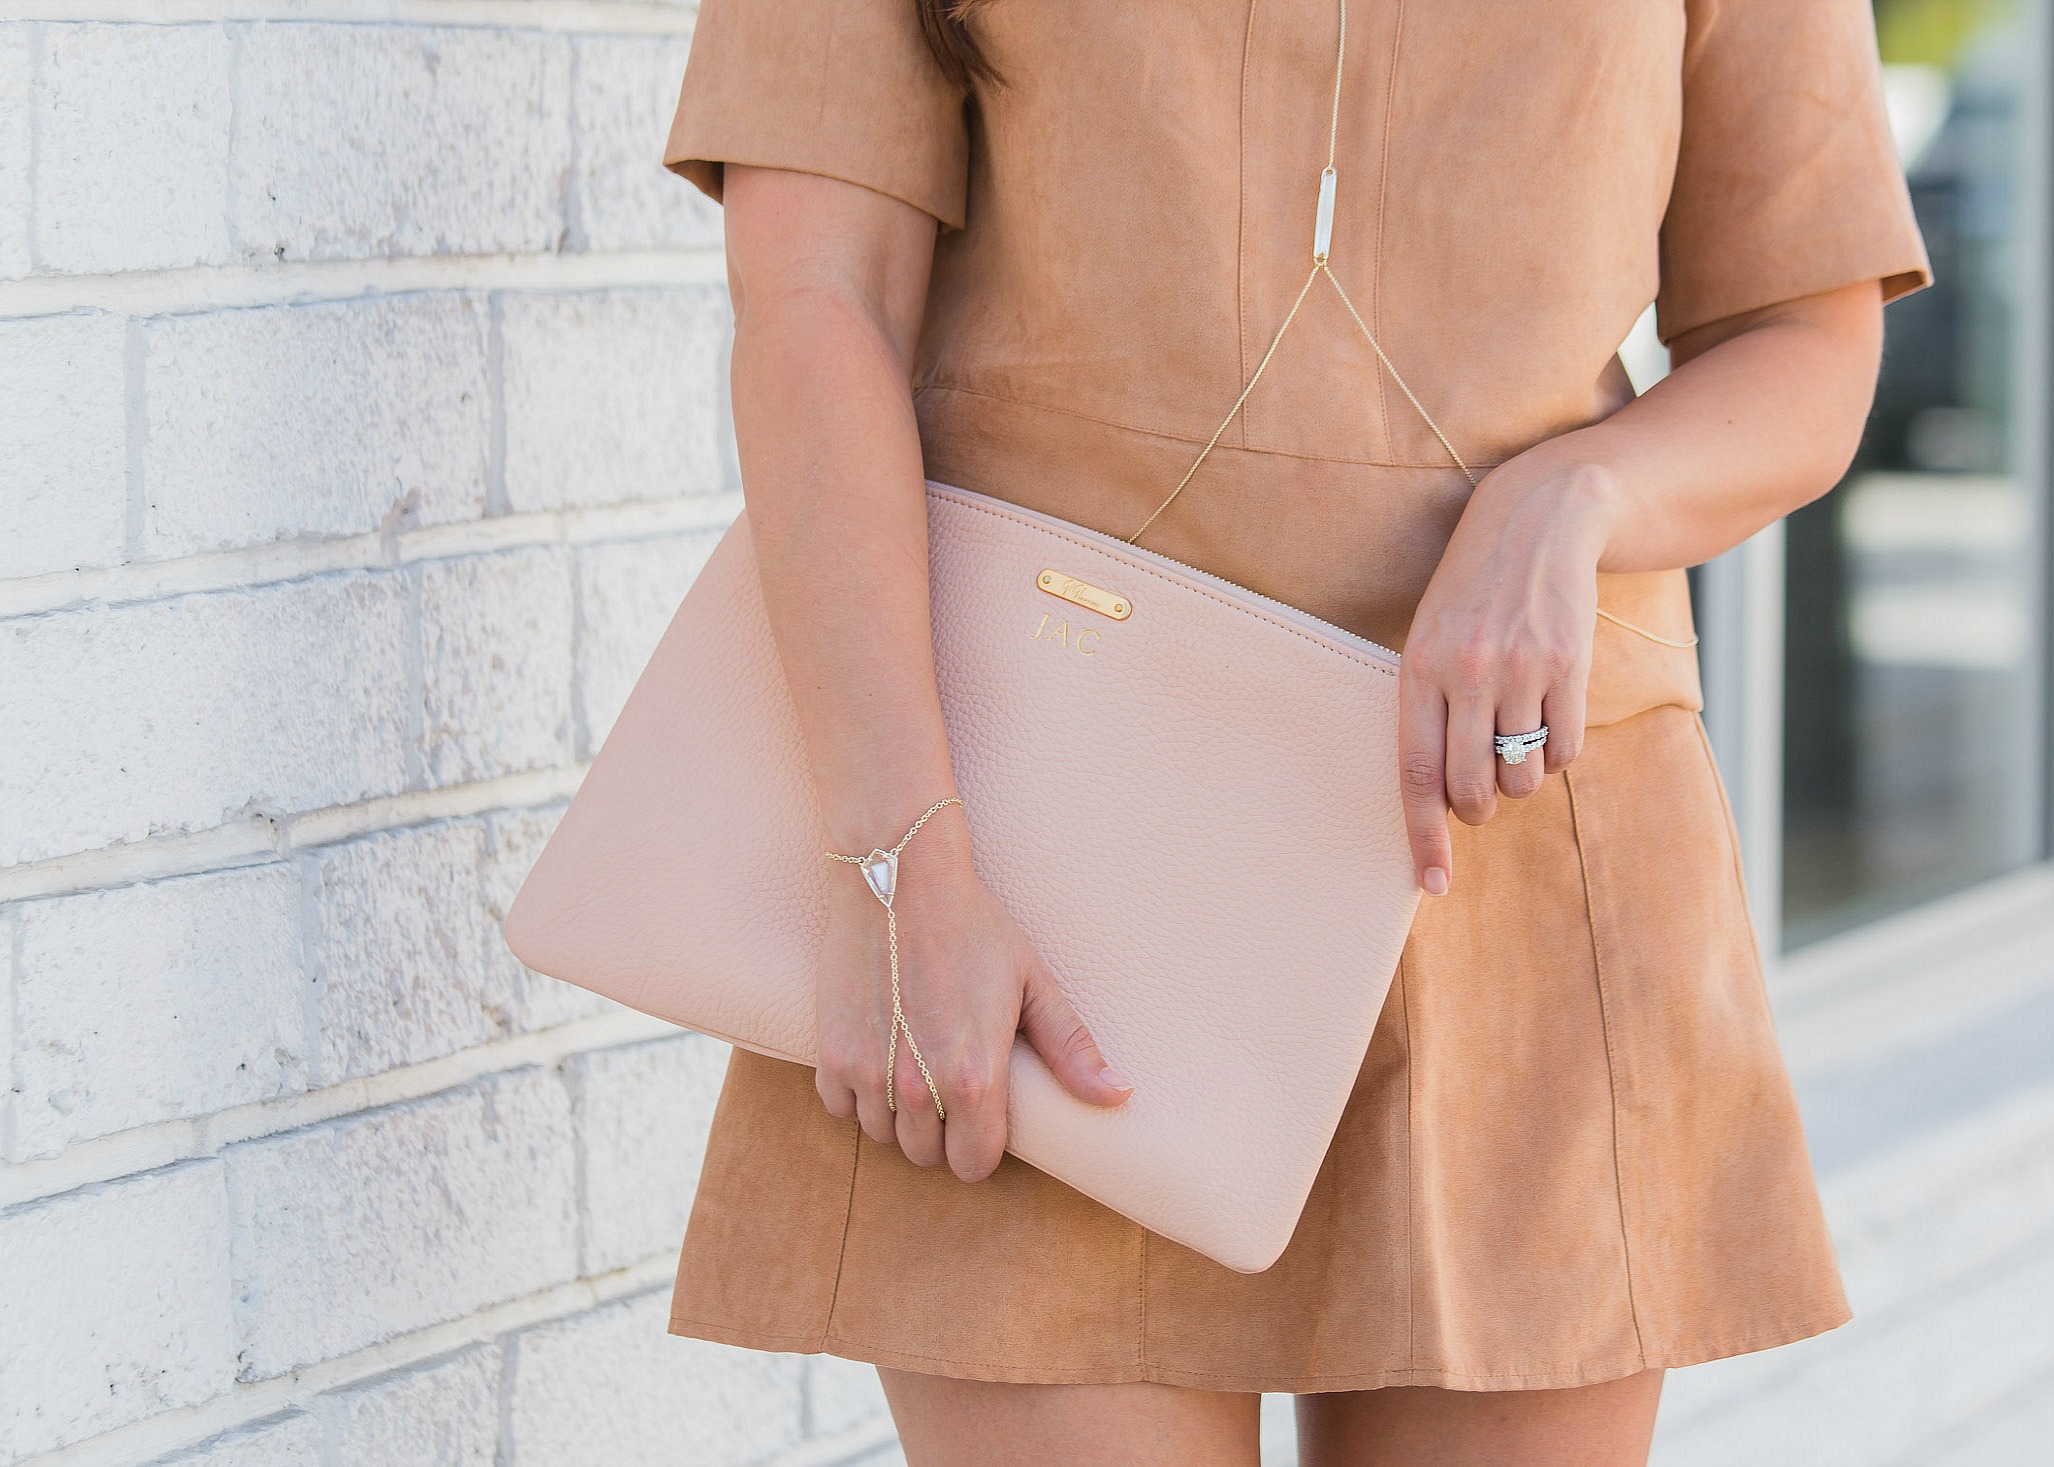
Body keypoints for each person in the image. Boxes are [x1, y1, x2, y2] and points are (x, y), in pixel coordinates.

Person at [652, 1, 1931, 1462]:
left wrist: (1574, 499)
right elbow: (816, 299)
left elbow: (1804, 332)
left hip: (1515, 846)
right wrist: (897, 848)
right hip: (1031, 859)